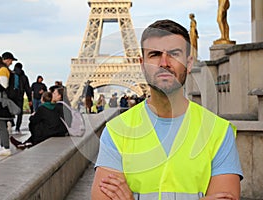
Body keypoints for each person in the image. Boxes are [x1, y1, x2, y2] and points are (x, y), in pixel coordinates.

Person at [91, 19, 243, 200]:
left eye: (174, 54)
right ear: (142, 64)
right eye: (154, 54)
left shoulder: (219, 132)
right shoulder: (116, 131)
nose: (164, 62)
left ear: (189, 63)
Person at [0, 52, 18, 156]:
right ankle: (3, 146)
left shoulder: (2, 70)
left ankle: (5, 147)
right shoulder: (2, 70)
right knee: (1, 124)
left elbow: (3, 85)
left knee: (2, 125)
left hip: (1, 103)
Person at [13, 62, 32, 134]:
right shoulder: (24, 77)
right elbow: (28, 89)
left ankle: (9, 123)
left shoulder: (12, 74)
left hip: (11, 96)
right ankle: (17, 127)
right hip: (20, 96)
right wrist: (29, 99)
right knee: (20, 113)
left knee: (8, 110)